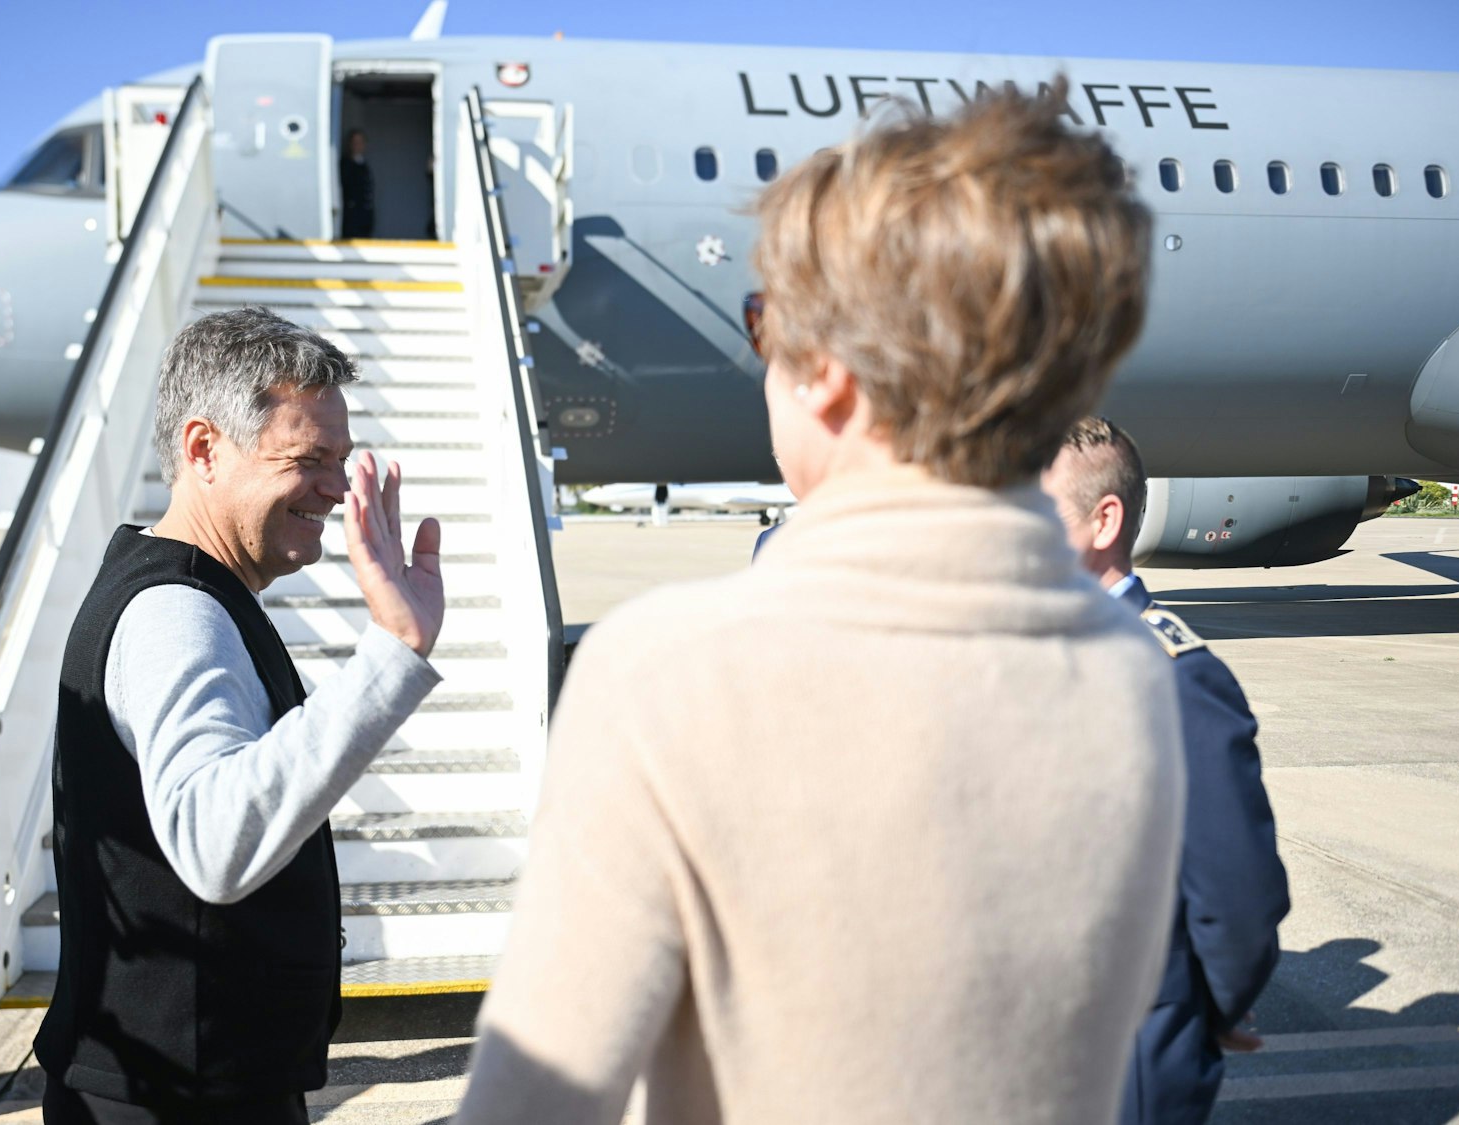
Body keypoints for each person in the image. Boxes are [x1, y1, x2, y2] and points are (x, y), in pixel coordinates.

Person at [458, 84, 1184, 1124]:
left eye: (762, 322)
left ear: (829, 375)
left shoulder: (665, 675)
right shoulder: (1133, 673)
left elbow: (532, 1103)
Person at [34, 307, 446, 1124]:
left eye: (341, 460)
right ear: (203, 449)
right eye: (308, 459)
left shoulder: (191, 590)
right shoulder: (175, 613)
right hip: (177, 1098)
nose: (336, 487)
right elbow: (216, 840)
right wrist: (392, 652)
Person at [1040, 417, 1290, 1125]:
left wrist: (1208, 1007)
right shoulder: (1018, 652)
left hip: (1122, 1052)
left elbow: (1237, 890)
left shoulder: (1172, 676)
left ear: (1103, 521)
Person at [340, 128, 376, 239]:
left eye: (360, 142)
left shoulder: (364, 164)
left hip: (365, 218)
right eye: (355, 142)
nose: (358, 145)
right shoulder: (345, 164)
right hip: (351, 218)